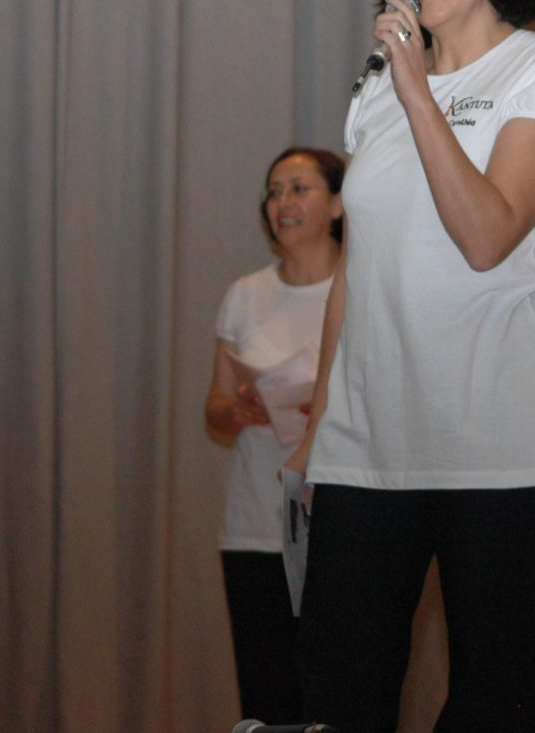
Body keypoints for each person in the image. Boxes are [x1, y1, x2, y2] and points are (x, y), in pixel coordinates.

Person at [287, 0, 535, 732]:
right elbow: (355, 274)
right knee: (338, 690)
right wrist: (319, 430)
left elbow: (487, 235)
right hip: (366, 441)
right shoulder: (373, 96)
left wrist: (420, 91)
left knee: (495, 695)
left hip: (490, 440)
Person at [204, 146, 346, 725]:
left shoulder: (361, 286)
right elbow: (214, 408)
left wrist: (327, 408)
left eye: (299, 188)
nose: (282, 202)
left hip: (337, 520)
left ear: (337, 205)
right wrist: (237, 409)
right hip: (255, 523)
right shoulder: (246, 293)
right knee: (266, 691)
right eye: (273, 191)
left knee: (337, 690)